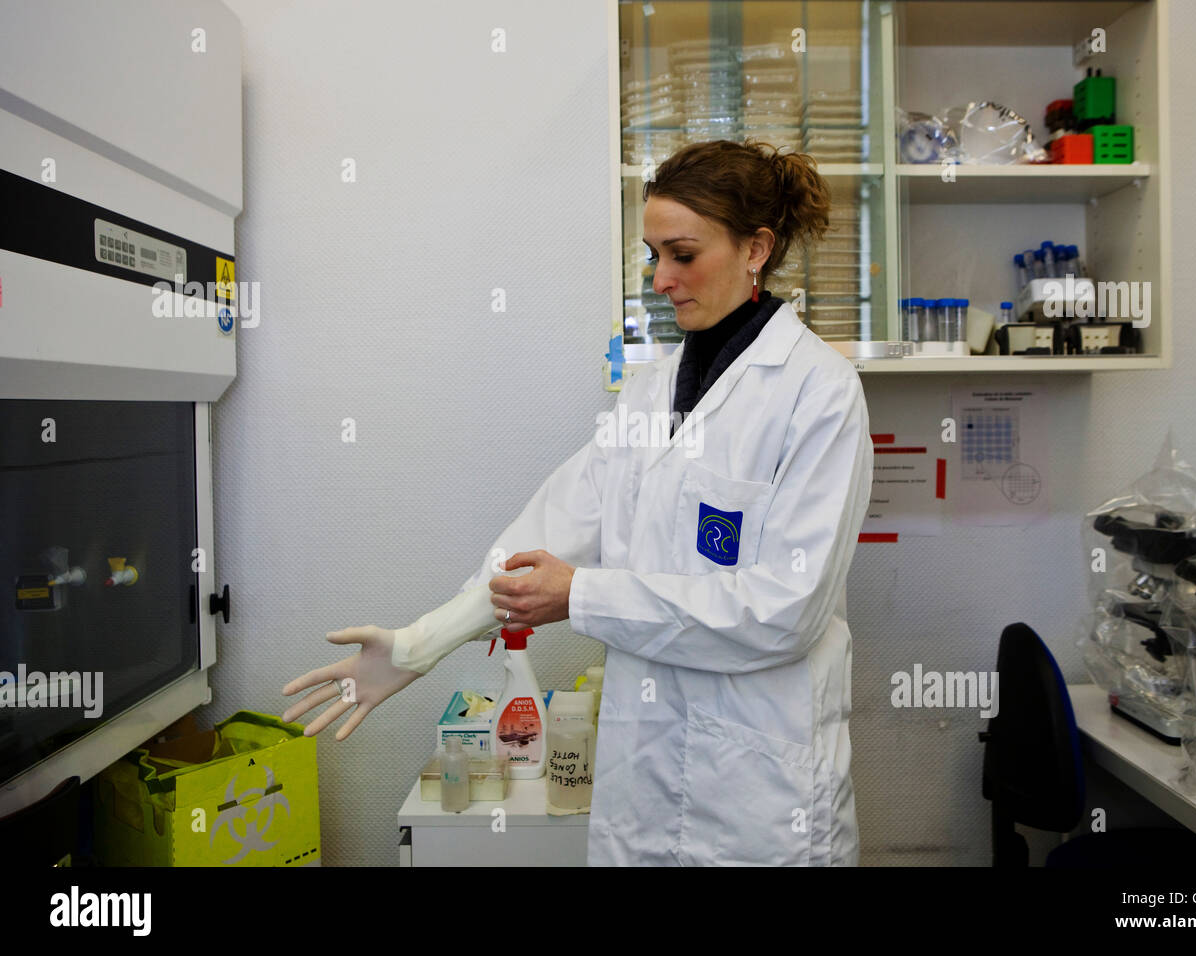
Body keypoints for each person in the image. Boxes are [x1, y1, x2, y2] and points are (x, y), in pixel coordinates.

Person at [283, 139, 873, 865]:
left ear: (756, 247)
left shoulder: (818, 393)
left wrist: (583, 597)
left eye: (682, 254)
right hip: (642, 788)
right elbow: (550, 529)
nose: (661, 279)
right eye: (653, 255)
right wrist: (419, 645)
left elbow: (785, 610)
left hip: (759, 797)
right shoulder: (651, 393)